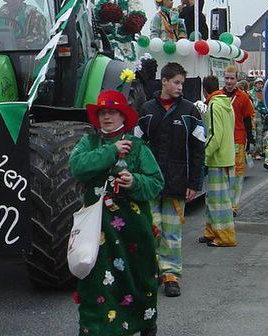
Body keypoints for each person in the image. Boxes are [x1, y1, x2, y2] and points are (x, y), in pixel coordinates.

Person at [70, 89, 163, 336]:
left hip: (134, 230)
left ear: (123, 116)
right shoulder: (89, 142)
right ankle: (95, 329)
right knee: (95, 280)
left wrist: (134, 181)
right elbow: (77, 167)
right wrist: (111, 151)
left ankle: (145, 323)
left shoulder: (138, 147)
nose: (107, 117)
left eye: (112, 112)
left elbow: (156, 182)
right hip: (96, 229)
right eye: (103, 112)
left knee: (138, 277)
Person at [138, 62, 204, 297]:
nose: (180, 87)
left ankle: (171, 275)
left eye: (182, 83)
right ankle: (152, 270)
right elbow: (136, 146)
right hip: (150, 182)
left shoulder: (190, 111)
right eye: (176, 82)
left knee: (172, 233)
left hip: (178, 182)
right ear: (164, 81)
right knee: (152, 228)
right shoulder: (146, 110)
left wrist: (194, 183)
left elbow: (198, 150)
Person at [199, 75, 237, 247]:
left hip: (217, 159)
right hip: (227, 156)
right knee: (214, 199)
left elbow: (215, 135)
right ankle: (211, 232)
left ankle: (224, 237)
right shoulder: (227, 103)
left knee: (218, 202)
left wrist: (204, 154)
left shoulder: (214, 105)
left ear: (204, 90)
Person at [220, 65, 255, 215]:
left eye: (232, 78)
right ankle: (224, 202)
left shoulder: (243, 97)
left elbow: (247, 120)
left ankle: (233, 206)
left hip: (238, 140)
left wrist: (250, 139)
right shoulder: (218, 96)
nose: (229, 81)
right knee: (223, 174)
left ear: (236, 79)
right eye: (226, 78)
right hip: (221, 140)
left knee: (236, 175)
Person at [249, 77, 268, 160]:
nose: (260, 85)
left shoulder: (264, 93)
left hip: (260, 115)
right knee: (252, 133)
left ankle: (258, 152)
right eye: (258, 83)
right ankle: (251, 151)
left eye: (261, 84)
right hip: (252, 114)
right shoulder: (250, 93)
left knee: (260, 134)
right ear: (255, 84)